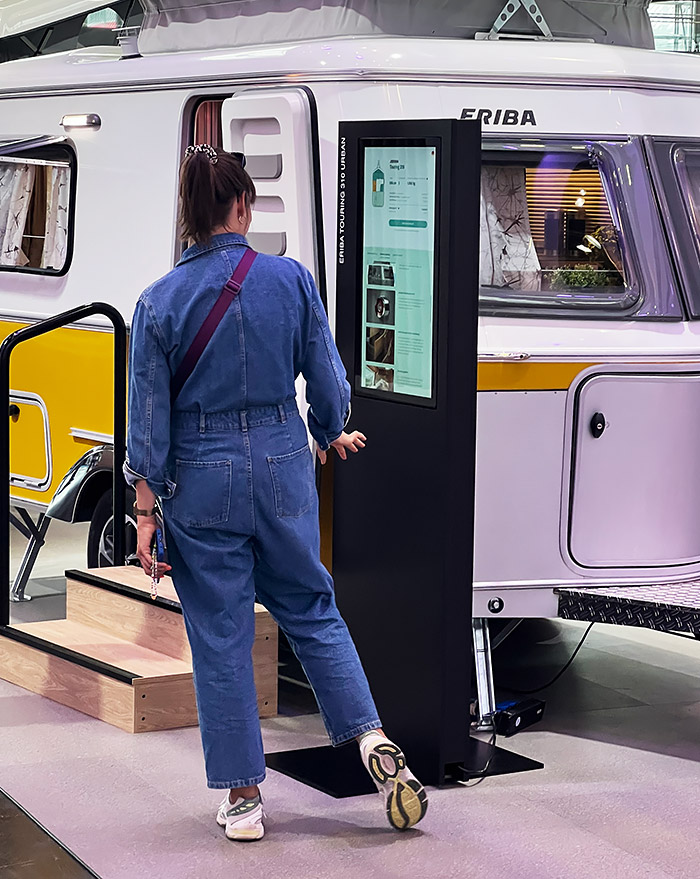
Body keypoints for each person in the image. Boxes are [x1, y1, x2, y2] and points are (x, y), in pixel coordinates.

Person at [124, 144, 427, 841]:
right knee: (313, 608)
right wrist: (327, 430)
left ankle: (243, 799)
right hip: (285, 462)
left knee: (223, 634)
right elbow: (328, 382)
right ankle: (371, 736)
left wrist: (144, 511)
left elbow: (149, 424)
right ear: (242, 206)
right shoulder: (290, 280)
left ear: (189, 212)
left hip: (203, 477)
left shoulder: (158, 302)